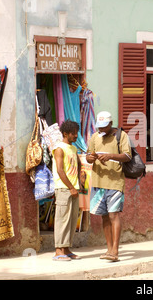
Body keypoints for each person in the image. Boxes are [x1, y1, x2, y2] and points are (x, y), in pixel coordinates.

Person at [86, 111, 131, 261]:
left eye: (104, 127)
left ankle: (115, 252)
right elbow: (88, 156)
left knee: (114, 215)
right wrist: (91, 157)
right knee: (104, 217)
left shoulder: (121, 136)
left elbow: (127, 156)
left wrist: (110, 156)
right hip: (98, 182)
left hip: (115, 181)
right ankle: (109, 249)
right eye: (100, 127)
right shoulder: (94, 137)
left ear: (111, 124)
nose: (102, 130)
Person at [52, 120, 82, 261]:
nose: (76, 135)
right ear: (65, 133)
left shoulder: (74, 149)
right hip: (64, 189)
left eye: (76, 132)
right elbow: (60, 170)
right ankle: (59, 251)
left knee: (71, 220)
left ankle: (67, 249)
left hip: (74, 188)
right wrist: (70, 187)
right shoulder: (59, 148)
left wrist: (78, 184)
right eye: (73, 133)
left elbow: (78, 165)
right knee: (62, 219)